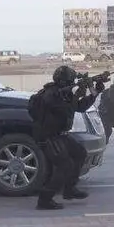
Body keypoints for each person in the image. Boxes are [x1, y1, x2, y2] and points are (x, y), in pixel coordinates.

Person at [29, 65, 105, 210]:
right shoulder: (51, 94)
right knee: (64, 165)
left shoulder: (64, 93)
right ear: (64, 81)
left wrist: (94, 92)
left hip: (60, 135)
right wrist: (80, 92)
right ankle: (45, 199)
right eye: (70, 81)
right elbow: (65, 109)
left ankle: (70, 189)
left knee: (80, 153)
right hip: (49, 136)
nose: (72, 83)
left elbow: (80, 107)